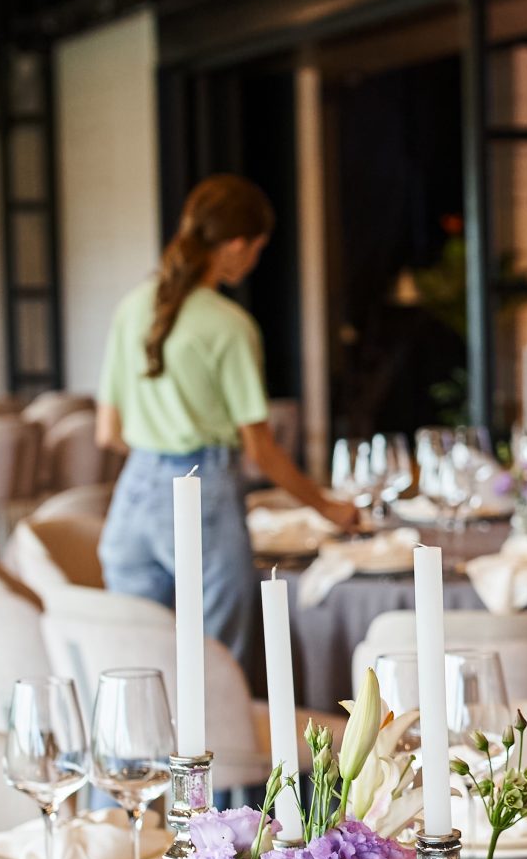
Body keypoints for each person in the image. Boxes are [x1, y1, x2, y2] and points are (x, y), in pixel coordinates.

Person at [95, 175, 354, 658]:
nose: (254, 260)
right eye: (256, 248)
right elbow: (261, 451)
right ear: (236, 245)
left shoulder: (132, 307)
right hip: (203, 496)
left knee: (134, 659)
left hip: (131, 499)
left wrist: (162, 450)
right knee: (215, 663)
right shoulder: (229, 325)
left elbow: (107, 433)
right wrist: (330, 508)